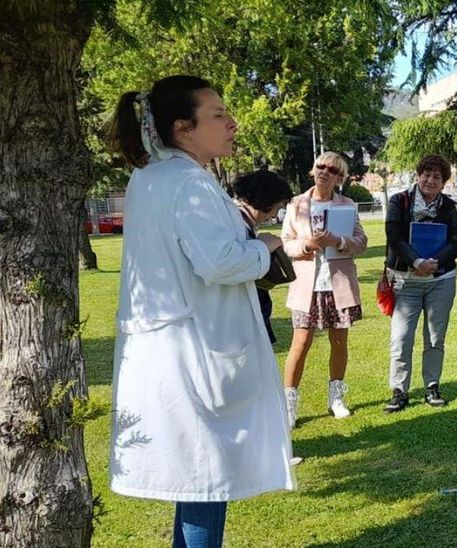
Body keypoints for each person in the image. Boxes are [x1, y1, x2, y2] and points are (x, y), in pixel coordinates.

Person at [105, 75, 294, 547]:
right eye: (218, 115)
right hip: (194, 353)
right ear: (183, 127)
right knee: (206, 480)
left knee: (197, 484)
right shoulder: (187, 182)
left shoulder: (151, 176)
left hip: (176, 345)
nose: (232, 123)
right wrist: (265, 246)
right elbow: (220, 261)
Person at [280, 152, 368, 426]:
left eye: (331, 169)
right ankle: (290, 404)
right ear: (313, 170)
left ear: (339, 178)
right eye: (320, 166)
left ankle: (336, 398)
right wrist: (307, 246)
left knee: (339, 341)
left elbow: (360, 242)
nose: (324, 172)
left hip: (338, 284)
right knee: (301, 343)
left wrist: (338, 241)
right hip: (306, 286)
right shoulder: (297, 205)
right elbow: (286, 243)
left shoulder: (347, 205)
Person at [384, 154, 457, 413]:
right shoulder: (400, 201)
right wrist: (416, 261)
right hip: (407, 280)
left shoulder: (448, 207)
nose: (430, 180)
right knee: (401, 337)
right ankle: (399, 390)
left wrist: (435, 262)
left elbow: (456, 241)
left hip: (440, 280)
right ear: (418, 175)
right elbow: (394, 236)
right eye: (426, 174)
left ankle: (432, 385)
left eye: (437, 177)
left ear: (443, 183)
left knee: (435, 337)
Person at [229, 170, 295, 345]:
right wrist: (264, 246)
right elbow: (235, 265)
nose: (275, 215)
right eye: (278, 206)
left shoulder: (240, 222)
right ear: (267, 199)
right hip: (241, 321)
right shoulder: (236, 226)